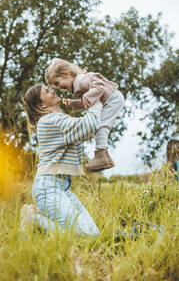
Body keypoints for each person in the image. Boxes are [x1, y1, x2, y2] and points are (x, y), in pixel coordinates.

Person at [21, 83, 102, 236]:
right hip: (48, 189)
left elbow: (83, 128)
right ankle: (34, 219)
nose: (52, 90)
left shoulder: (56, 120)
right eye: (47, 91)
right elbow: (88, 126)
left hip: (61, 187)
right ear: (41, 104)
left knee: (93, 235)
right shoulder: (50, 120)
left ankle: (41, 223)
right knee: (84, 236)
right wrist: (96, 101)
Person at [45, 58, 125, 172]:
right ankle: (106, 158)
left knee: (101, 126)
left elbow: (99, 86)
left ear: (65, 74)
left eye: (57, 83)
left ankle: (101, 155)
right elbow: (87, 101)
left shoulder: (82, 79)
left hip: (112, 99)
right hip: (111, 99)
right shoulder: (78, 85)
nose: (59, 88)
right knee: (101, 126)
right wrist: (73, 103)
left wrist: (88, 96)